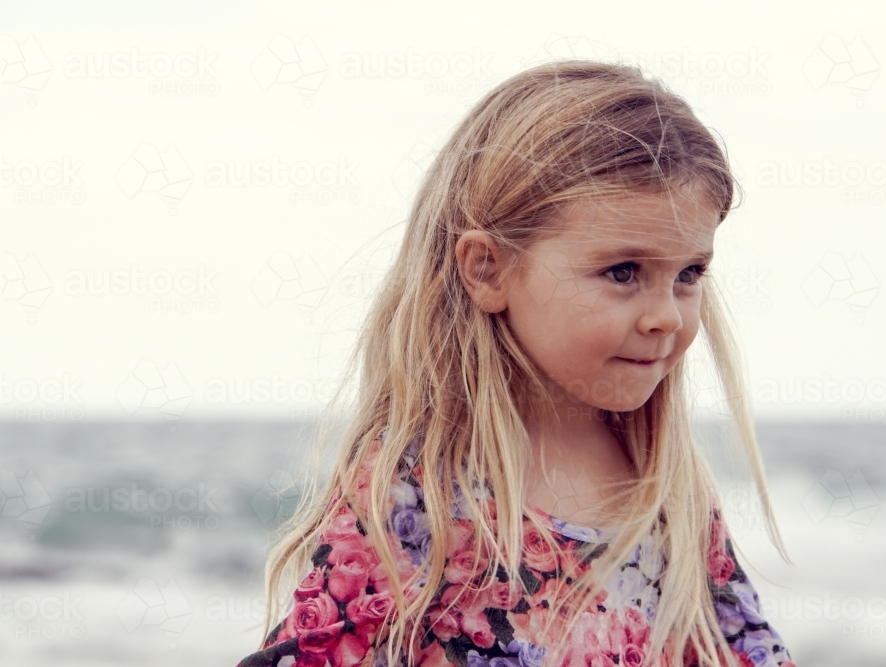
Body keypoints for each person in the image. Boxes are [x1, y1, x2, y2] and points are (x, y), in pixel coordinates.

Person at [236, 60, 795, 667]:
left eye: (688, 274)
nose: (665, 315)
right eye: (623, 272)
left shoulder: (670, 485)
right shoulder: (416, 491)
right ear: (488, 269)